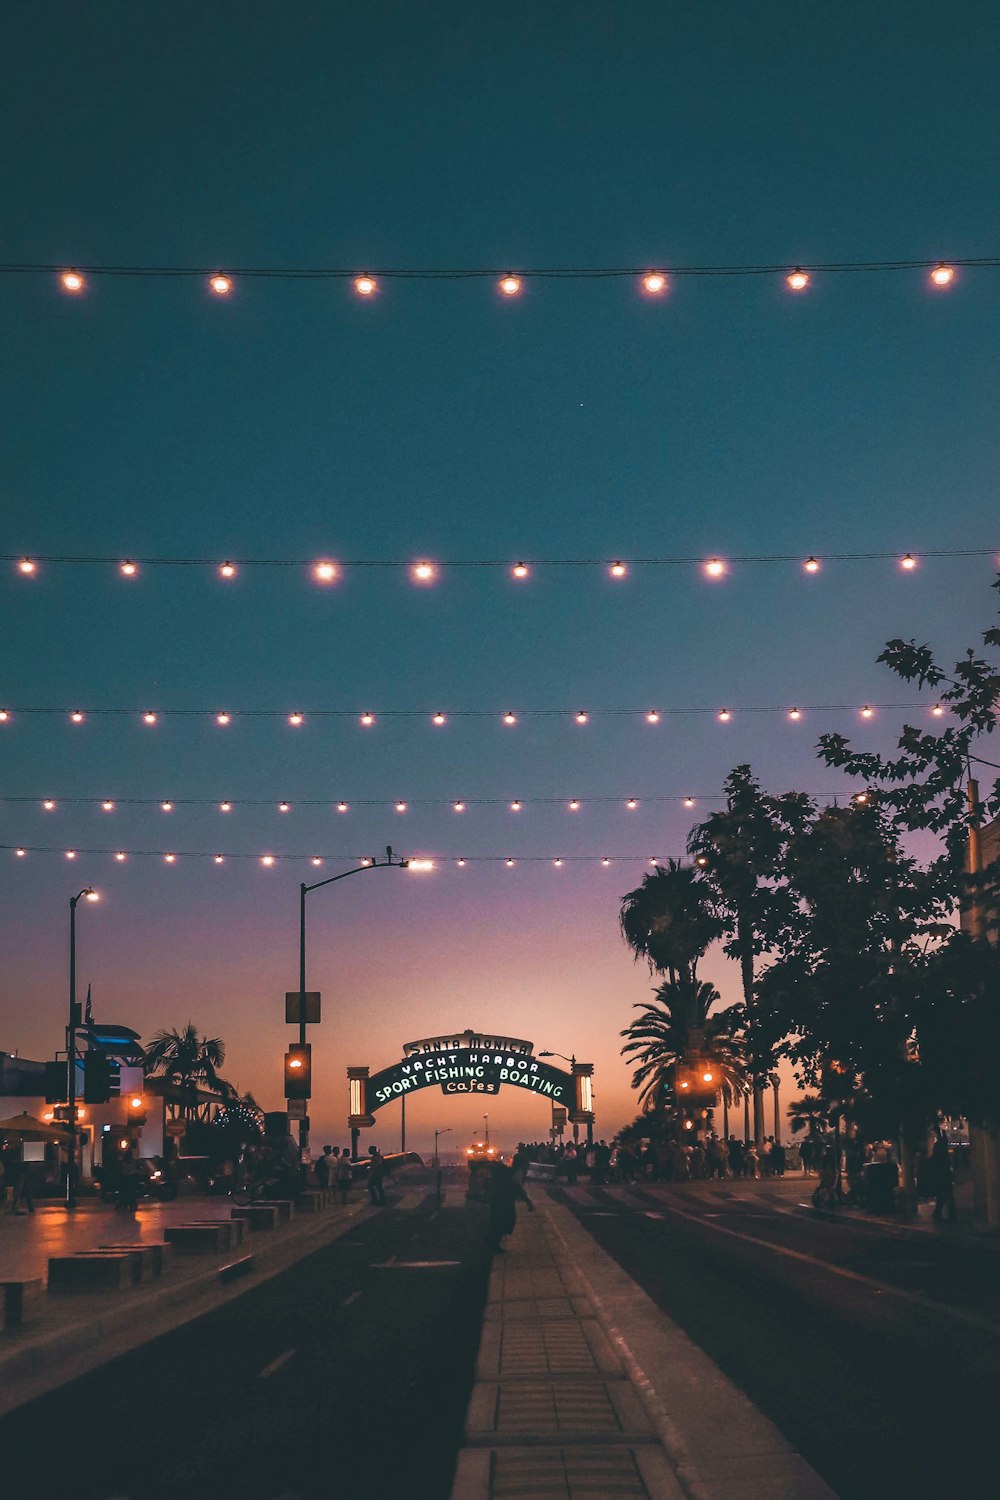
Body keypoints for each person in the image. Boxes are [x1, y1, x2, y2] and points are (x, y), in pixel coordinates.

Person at [486, 1160, 533, 1252]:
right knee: (504, 1223)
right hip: (505, 1202)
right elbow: (518, 1188)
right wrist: (528, 1202)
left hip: (499, 1201)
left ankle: (492, 1241)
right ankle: (493, 1244)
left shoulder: (508, 1172)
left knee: (498, 1223)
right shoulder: (516, 1173)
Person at [931, 1129, 957, 1223]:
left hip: (940, 1178)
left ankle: (939, 1213)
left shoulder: (936, 1157)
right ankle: (945, 1214)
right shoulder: (943, 1158)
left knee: (942, 1197)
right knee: (945, 1197)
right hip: (944, 1178)